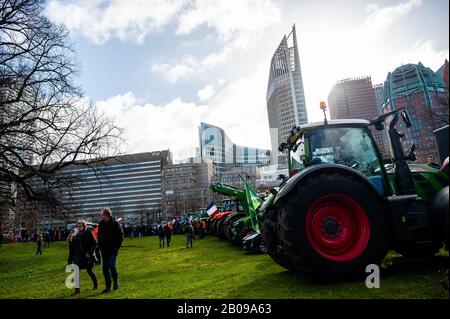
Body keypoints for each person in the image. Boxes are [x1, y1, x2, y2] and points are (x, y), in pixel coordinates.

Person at [97, 208, 124, 293]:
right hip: (103, 249)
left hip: (113, 249)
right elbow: (99, 235)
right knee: (105, 268)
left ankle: (115, 282)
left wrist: (117, 246)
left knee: (111, 265)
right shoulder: (100, 224)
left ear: (107, 214)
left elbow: (120, 235)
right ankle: (108, 286)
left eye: (103, 215)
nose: (102, 216)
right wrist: (99, 245)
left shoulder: (115, 223)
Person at [69, 220, 99, 295]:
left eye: (80, 226)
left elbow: (94, 243)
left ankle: (95, 284)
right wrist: (73, 236)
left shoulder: (88, 232)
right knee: (76, 272)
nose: (78, 227)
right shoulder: (76, 234)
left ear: (84, 226)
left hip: (87, 255)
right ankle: (77, 290)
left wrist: (90, 252)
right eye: (78, 226)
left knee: (90, 271)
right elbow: (72, 246)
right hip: (78, 256)